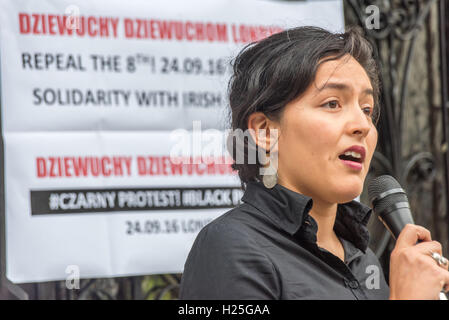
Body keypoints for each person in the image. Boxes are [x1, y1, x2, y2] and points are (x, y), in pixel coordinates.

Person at [179, 26, 449, 299]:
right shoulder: (230, 246)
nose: (362, 125)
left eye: (367, 109)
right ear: (264, 131)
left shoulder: (362, 258)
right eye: (332, 103)